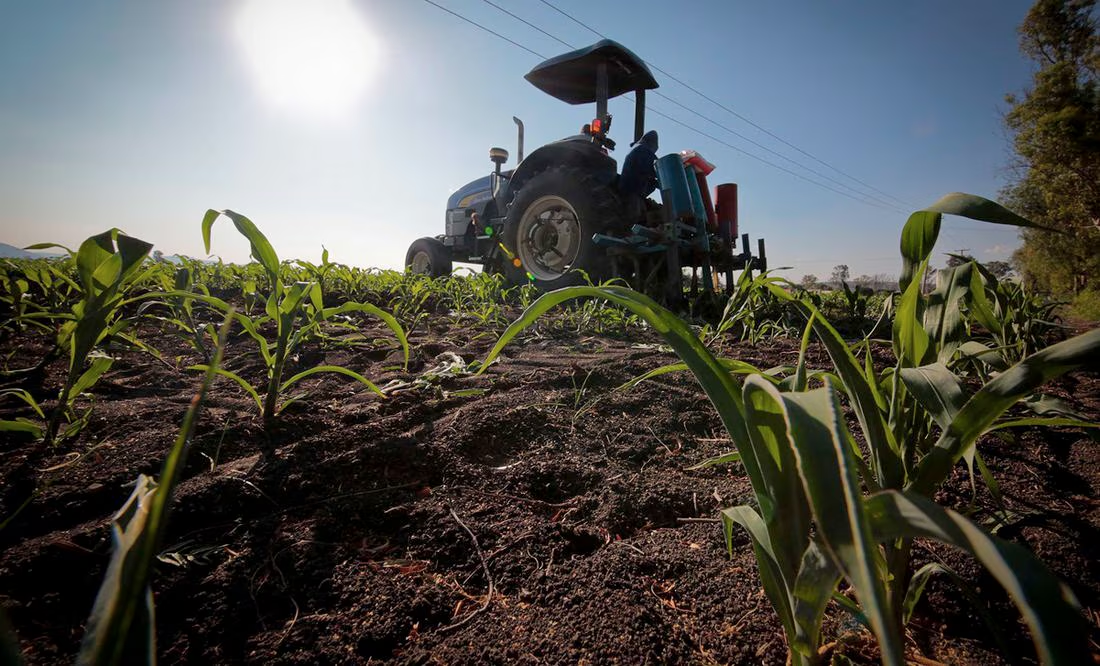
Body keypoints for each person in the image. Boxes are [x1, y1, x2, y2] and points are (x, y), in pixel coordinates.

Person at [618, 130, 659, 227]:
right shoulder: (644, 151)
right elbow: (658, 170)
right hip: (632, 192)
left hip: (628, 191)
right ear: (652, 144)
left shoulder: (637, 148)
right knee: (635, 223)